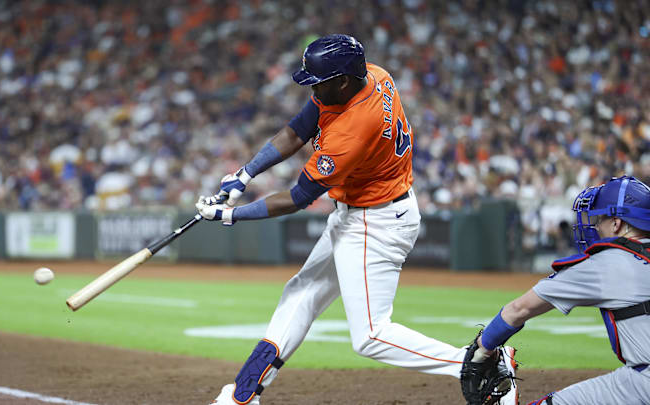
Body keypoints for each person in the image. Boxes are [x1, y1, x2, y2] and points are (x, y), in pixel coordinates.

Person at [196, 34, 517, 405]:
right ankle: (243, 393)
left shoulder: (352, 130)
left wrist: (230, 214)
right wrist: (245, 174)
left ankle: (481, 364)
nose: (314, 88)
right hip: (366, 211)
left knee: (370, 336)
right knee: (300, 294)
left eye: (320, 81)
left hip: (375, 222)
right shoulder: (374, 75)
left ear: (343, 80)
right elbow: (299, 128)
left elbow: (298, 198)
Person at [460, 175, 650, 405]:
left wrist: (482, 349)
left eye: (601, 218)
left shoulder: (607, 262)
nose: (597, 226)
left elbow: (519, 309)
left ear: (617, 223)